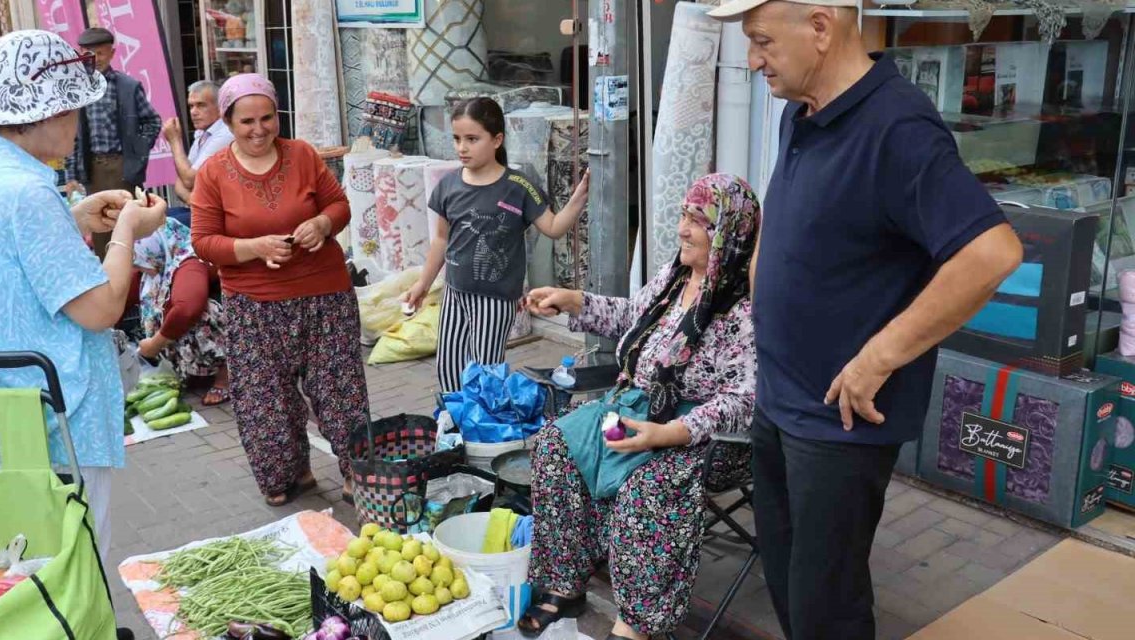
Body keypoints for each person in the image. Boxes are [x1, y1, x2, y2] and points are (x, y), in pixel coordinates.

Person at [707, 1, 1025, 638]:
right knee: (788, 580)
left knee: (830, 606)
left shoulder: (898, 126)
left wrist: (879, 356)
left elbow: (992, 253)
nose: (752, 60)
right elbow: (787, 202)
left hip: (838, 420)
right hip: (778, 394)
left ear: (820, 28)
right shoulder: (802, 112)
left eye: (763, 41)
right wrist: (762, 274)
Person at [0, 31, 167, 570]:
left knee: (20, 545)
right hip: (45, 410)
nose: (78, 122)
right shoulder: (26, 191)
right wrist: (128, 227)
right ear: (47, 111)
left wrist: (73, 217)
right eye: (74, 109)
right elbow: (102, 308)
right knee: (65, 560)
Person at [519, 174, 758, 640]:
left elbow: (746, 400)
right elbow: (633, 317)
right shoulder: (675, 279)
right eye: (684, 216)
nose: (683, 229)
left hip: (705, 436)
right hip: (639, 406)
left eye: (698, 221)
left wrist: (671, 433)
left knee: (649, 485)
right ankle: (566, 581)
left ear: (728, 234)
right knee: (555, 447)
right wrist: (576, 301)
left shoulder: (745, 309)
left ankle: (637, 624)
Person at [191, 73, 368, 507]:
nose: (258, 130)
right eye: (246, 121)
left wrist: (323, 224)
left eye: (267, 118)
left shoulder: (302, 155)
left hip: (324, 294)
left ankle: (356, 471)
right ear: (228, 122)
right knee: (266, 398)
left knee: (338, 386)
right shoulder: (213, 172)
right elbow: (203, 241)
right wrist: (253, 248)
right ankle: (290, 473)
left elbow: (339, 204)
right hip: (254, 304)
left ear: (277, 115)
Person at [402, 97, 590, 392]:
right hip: (455, 292)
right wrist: (422, 285)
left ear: (497, 139)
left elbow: (553, 228)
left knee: (486, 372)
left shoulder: (519, 186)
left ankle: (487, 433)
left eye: (472, 139)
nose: (462, 147)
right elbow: (441, 239)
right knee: (447, 366)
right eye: (457, 139)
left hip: (495, 299)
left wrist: (579, 197)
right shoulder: (448, 185)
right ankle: (457, 427)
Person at [65, 27, 163, 260]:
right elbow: (71, 136)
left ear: (112, 53)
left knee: (125, 223)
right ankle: (106, 278)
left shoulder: (127, 86)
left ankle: (131, 279)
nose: (96, 59)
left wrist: (137, 151)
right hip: (92, 167)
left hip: (121, 165)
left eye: (101, 53)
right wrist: (71, 174)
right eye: (90, 54)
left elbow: (152, 120)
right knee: (97, 224)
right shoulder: (77, 90)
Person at [132, 218, 230, 405]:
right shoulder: (159, 262)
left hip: (232, 321)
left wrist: (154, 344)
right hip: (194, 312)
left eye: (140, 260)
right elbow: (121, 294)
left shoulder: (188, 260)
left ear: (153, 248)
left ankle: (226, 376)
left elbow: (188, 309)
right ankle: (195, 372)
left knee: (195, 315)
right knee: (164, 313)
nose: (136, 267)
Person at [164, 80, 233, 207]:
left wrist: (174, 141)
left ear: (220, 108)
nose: (193, 112)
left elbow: (188, 180)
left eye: (201, 105)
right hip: (199, 208)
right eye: (191, 106)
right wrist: (193, 200)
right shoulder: (203, 132)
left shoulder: (226, 133)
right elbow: (180, 180)